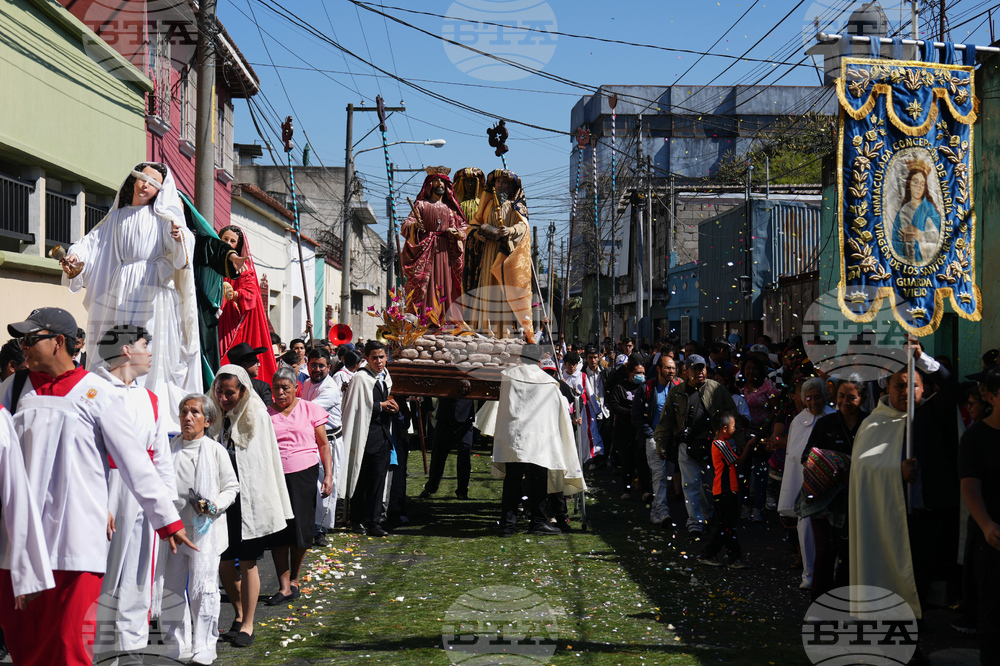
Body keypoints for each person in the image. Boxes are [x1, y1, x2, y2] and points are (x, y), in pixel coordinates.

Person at [0, 307, 192, 666]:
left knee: (69, 645)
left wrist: (168, 522)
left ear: (58, 343)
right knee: (23, 642)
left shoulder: (97, 392)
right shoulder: (12, 391)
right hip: (20, 542)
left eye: (29, 339)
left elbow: (136, 462)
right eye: (20, 339)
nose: (21, 346)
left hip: (75, 541)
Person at [61, 163, 199, 429]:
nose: (146, 184)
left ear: (161, 189)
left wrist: (178, 237)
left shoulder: (163, 217)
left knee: (148, 347)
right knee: (116, 344)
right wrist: (76, 256)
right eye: (142, 178)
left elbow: (182, 253)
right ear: (133, 181)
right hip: (121, 287)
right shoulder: (116, 218)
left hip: (153, 291)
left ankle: (147, 414)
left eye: (154, 182)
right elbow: (91, 243)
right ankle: (109, 407)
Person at [91, 325, 178, 662]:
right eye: (145, 344)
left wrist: (167, 510)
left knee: (138, 575)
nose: (150, 351)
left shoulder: (149, 398)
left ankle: (129, 650)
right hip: (103, 488)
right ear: (126, 350)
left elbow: (161, 457)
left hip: (142, 497)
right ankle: (95, 648)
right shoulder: (93, 390)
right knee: (102, 572)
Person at [209, 365, 293, 648]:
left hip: (248, 502)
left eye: (229, 393)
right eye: (219, 391)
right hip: (222, 502)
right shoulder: (215, 418)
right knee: (223, 561)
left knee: (248, 562)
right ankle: (238, 613)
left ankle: (248, 623)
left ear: (242, 390)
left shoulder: (257, 415)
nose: (223, 398)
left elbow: (263, 464)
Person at [162, 394, 239, 665]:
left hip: (205, 532)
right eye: (184, 412)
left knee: (205, 589)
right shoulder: (170, 448)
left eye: (194, 412)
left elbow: (232, 487)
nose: (188, 417)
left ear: (207, 420)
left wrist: (214, 505)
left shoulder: (215, 450)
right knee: (171, 587)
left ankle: (205, 645)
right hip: (174, 532)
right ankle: (176, 642)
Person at [492, 344, 585, 536]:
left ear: (521, 357)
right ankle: (537, 521)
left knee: (513, 481)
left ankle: (508, 525)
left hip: (514, 438)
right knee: (538, 482)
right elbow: (557, 412)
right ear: (540, 360)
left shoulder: (508, 376)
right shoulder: (548, 382)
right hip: (539, 439)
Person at [265, 367, 333, 605]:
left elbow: (323, 445)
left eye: (286, 387)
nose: (281, 392)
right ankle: (283, 586)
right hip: (276, 477)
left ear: (297, 388)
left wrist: (328, 476)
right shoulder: (267, 414)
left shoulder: (309, 409)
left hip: (304, 475)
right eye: (277, 388)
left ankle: (295, 579)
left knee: (301, 528)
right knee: (279, 529)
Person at [800, 375, 868, 601]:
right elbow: (807, 456)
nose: (845, 402)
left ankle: (842, 603)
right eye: (841, 396)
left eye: (852, 397)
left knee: (849, 555)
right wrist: (835, 464)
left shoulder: (870, 425)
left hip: (856, 500)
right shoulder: (825, 424)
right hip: (824, 500)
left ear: (862, 398)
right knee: (825, 551)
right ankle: (819, 601)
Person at [958, 366, 1000, 663]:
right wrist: (987, 525)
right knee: (994, 617)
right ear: (993, 398)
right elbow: (970, 487)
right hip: (992, 540)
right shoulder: (975, 438)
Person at [466, 169, 535, 342]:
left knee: (502, 292)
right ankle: (483, 328)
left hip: (505, 255)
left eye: (505, 183)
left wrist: (510, 230)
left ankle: (502, 332)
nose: (501, 186)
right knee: (485, 288)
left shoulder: (515, 206)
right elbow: (474, 224)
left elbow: (523, 227)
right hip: (487, 251)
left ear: (511, 187)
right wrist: (477, 234)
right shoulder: (488, 205)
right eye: (498, 183)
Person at [778, 377, 833, 591]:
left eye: (817, 397)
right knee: (806, 527)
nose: (812, 402)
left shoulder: (833, 416)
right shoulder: (798, 421)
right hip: (806, 485)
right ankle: (808, 573)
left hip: (830, 484)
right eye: (808, 398)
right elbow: (793, 456)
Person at [341, 341, 396, 537]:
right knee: (361, 478)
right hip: (364, 437)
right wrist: (379, 406)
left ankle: (375, 521)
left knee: (378, 481)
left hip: (382, 436)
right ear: (366, 358)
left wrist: (392, 407)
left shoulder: (385, 377)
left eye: (382, 357)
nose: (379, 361)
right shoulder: (360, 379)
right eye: (374, 357)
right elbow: (356, 407)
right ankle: (357, 519)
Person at [399, 167, 468, 323]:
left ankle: (448, 318)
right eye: (436, 181)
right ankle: (427, 317)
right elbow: (406, 224)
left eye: (443, 181)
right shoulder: (421, 205)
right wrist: (415, 226)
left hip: (447, 249)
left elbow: (464, 226)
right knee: (427, 283)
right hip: (427, 249)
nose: (440, 184)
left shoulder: (452, 208)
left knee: (448, 283)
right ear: (430, 185)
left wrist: (458, 232)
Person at [218, 225, 278, 385]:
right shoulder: (213, 262)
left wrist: (235, 294)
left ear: (238, 245)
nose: (228, 243)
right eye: (225, 239)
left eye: (233, 241)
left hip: (230, 317)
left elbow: (251, 293)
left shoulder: (243, 266)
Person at [698, 411, 755, 568]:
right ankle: (714, 554)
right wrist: (749, 446)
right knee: (726, 525)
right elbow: (738, 462)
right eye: (733, 427)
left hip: (725, 490)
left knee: (727, 525)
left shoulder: (721, 444)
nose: (735, 430)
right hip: (724, 490)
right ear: (724, 428)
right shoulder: (720, 444)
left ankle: (730, 556)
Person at [633, 353, 678, 526]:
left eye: (673, 368)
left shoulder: (677, 388)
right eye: (668, 367)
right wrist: (650, 435)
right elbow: (637, 415)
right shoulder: (647, 388)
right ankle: (663, 511)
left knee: (666, 477)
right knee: (658, 474)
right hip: (653, 438)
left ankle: (655, 511)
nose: (671, 371)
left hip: (672, 441)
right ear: (658, 369)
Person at [741, 354, 779, 522]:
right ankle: (745, 505)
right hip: (743, 434)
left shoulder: (767, 386)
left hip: (762, 435)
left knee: (760, 472)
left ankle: (758, 507)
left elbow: (775, 408)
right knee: (743, 471)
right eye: (748, 368)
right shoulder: (741, 386)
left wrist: (765, 429)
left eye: (754, 368)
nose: (751, 371)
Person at [420, 399, 474, 500]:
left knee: (465, 455)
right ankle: (430, 487)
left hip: (465, 417)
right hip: (445, 417)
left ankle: (462, 491)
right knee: (438, 456)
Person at [891, 158, 942, 264]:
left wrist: (920, 235)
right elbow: (896, 243)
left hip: (928, 264)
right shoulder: (903, 211)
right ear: (909, 184)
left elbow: (941, 235)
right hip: (907, 264)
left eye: (922, 184)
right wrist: (905, 241)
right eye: (915, 182)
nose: (919, 187)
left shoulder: (929, 208)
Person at [608, 358, 645, 501]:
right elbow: (614, 405)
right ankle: (626, 489)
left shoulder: (645, 387)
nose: (641, 375)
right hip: (624, 430)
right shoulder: (620, 387)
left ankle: (644, 488)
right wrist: (630, 413)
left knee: (641, 460)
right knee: (627, 461)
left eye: (643, 373)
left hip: (640, 429)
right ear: (629, 373)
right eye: (637, 373)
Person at [454, 167, 487, 296]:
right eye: (467, 181)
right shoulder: (456, 203)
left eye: (473, 182)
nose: (469, 185)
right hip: (460, 244)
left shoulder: (483, 203)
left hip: (479, 244)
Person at [227, 342, 274, 407]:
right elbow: (269, 413)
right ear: (245, 364)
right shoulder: (261, 387)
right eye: (256, 361)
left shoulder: (225, 385)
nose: (259, 365)